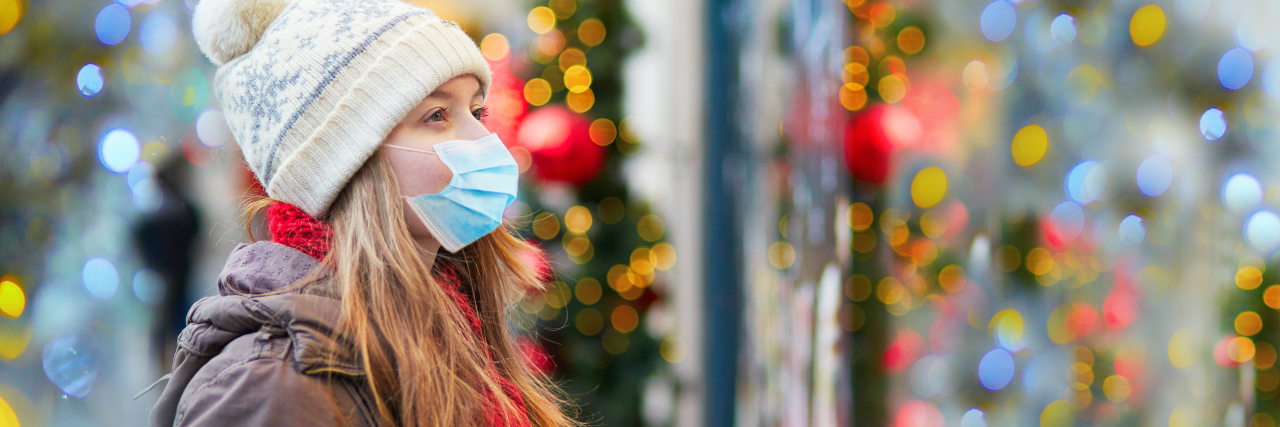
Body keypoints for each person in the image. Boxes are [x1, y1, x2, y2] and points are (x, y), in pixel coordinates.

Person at [144, 0, 578, 425]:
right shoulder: (272, 384)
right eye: (437, 115)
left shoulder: (449, 322)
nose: (485, 139)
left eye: (477, 110)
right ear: (344, 161)